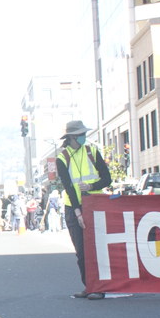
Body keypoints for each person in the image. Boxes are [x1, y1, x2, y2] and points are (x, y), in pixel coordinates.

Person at [55, 120, 114, 299]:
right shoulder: (62, 158)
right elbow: (69, 188)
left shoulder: (92, 152)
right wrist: (78, 212)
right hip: (74, 208)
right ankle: (89, 286)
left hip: (95, 206)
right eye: (80, 134)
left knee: (96, 249)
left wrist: (90, 186)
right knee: (81, 251)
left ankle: (98, 287)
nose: (84, 137)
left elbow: (107, 179)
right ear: (72, 137)